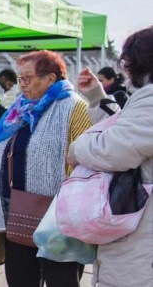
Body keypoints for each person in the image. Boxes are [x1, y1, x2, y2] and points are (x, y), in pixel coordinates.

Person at [0, 50, 92, 287]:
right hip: (17, 217)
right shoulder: (19, 109)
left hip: (57, 221)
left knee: (61, 280)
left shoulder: (74, 107)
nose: (22, 84)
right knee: (20, 280)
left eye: (28, 78)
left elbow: (87, 163)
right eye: (20, 78)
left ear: (51, 79)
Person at [67, 26, 153, 287]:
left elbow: (115, 151)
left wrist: (77, 148)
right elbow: (131, 135)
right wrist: (96, 98)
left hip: (143, 242)